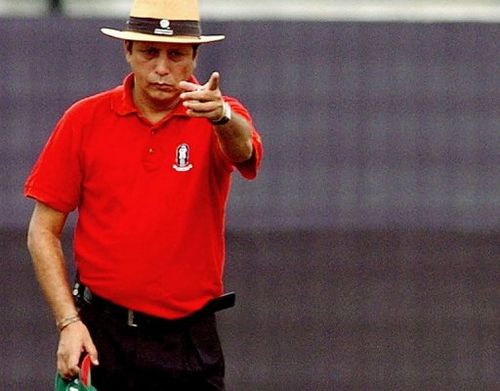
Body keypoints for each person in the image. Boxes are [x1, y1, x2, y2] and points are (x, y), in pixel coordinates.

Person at [24, 0, 263, 389]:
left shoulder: (218, 118)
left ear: (195, 59)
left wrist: (220, 116)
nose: (163, 68)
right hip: (103, 335)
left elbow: (244, 151)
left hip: (188, 340)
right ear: (128, 52)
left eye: (176, 54)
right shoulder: (84, 120)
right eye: (150, 51)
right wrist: (69, 323)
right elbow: (42, 231)